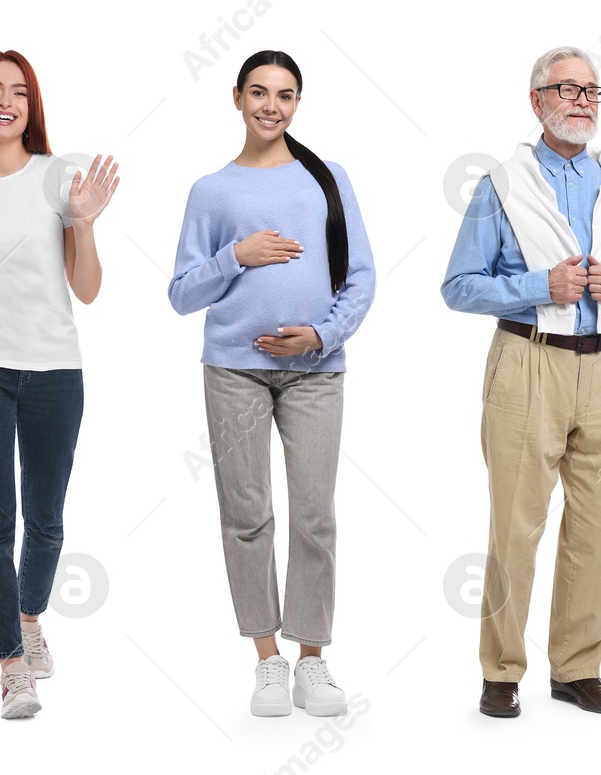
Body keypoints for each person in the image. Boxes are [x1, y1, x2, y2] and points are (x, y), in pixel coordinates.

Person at [442, 46, 601, 718]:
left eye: (592, 91)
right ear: (536, 101)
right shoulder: (502, 185)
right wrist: (542, 286)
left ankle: (577, 668)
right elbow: (458, 286)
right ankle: (501, 671)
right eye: (565, 89)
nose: (580, 100)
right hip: (528, 362)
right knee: (516, 526)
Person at [168, 50, 376, 718]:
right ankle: (267, 661)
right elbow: (179, 294)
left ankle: (313, 658)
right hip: (234, 370)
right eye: (258, 93)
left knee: (315, 516)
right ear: (236, 98)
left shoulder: (328, 178)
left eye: (285, 95)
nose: (271, 106)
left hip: (316, 372)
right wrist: (239, 254)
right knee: (247, 515)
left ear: (297, 104)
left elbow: (362, 277)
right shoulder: (212, 190)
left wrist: (321, 335)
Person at [0, 50, 119, 720]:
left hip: (54, 373)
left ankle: (31, 617)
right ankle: (13, 667)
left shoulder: (58, 179)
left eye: (17, 91)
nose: (4, 100)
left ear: (30, 107)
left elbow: (89, 290)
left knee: (44, 524)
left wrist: (85, 222)